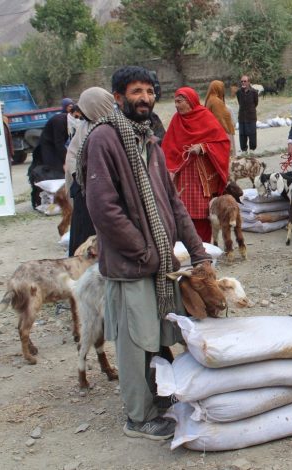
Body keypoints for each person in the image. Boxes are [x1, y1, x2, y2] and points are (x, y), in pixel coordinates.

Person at [81, 66, 213, 441]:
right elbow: (104, 208)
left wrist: (198, 252)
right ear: (118, 97)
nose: (144, 98)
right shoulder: (104, 139)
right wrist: (143, 253)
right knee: (134, 342)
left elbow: (173, 203)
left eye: (149, 91)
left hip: (157, 263)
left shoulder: (148, 141)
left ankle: (158, 402)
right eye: (135, 91)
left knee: (157, 337)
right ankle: (137, 418)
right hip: (131, 265)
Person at [162, 87, 231, 242]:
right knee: (181, 212)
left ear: (190, 101)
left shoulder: (205, 116)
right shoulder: (176, 120)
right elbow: (168, 147)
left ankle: (204, 246)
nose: (176, 105)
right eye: (175, 102)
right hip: (182, 174)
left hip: (201, 177)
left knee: (201, 212)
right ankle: (185, 248)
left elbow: (222, 142)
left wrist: (203, 147)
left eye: (180, 101)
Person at [64, 87, 115, 256]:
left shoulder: (116, 128)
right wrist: (80, 176)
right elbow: (72, 156)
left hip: (109, 194)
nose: (81, 111)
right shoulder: (84, 128)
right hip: (84, 193)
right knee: (83, 239)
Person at [204, 80, 236, 158]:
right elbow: (221, 119)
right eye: (222, 88)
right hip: (222, 134)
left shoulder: (209, 100)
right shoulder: (216, 101)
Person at [236, 75, 258, 154]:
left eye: (245, 81)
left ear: (248, 82)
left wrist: (250, 109)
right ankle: (244, 150)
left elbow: (256, 103)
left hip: (251, 117)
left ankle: (252, 150)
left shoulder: (254, 92)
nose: (243, 83)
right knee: (242, 135)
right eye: (242, 81)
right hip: (242, 117)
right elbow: (239, 102)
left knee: (252, 134)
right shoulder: (238, 92)